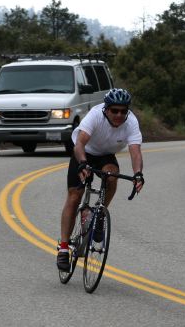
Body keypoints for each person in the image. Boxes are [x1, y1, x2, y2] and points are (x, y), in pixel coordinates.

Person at [57, 87, 144, 271]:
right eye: (114, 110)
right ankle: (64, 248)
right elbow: (79, 143)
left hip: (106, 156)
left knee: (112, 177)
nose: (119, 115)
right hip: (84, 153)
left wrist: (138, 174)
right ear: (106, 109)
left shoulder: (131, 122)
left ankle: (99, 216)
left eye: (123, 111)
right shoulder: (95, 115)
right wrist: (82, 164)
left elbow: (135, 152)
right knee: (74, 196)